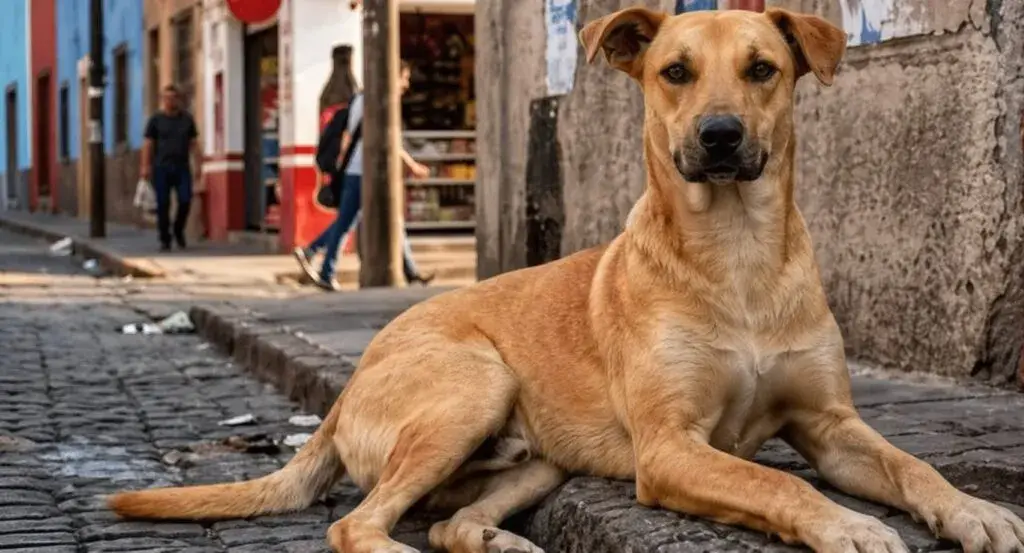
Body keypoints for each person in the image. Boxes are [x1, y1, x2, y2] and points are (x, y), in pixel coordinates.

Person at [294, 60, 434, 291]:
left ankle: (410, 271)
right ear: (393, 75)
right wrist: (412, 165)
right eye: (404, 77)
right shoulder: (378, 101)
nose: (406, 84)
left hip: (358, 171)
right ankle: (324, 269)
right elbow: (387, 139)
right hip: (366, 172)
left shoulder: (360, 99)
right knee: (350, 224)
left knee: (372, 221)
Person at [141, 84, 201, 252]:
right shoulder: (155, 120)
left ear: (178, 99)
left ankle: (178, 229)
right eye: (167, 98)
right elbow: (148, 144)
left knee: (185, 200)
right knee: (163, 204)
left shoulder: (187, 120)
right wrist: (145, 166)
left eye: (173, 98)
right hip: (161, 167)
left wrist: (198, 166)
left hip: (182, 167)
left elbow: (194, 144)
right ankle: (165, 238)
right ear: (162, 100)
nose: (170, 101)